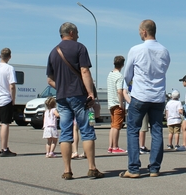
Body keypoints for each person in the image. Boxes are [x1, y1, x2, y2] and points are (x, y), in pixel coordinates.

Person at [47, 22, 103, 179]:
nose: (78, 35)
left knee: (65, 132)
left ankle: (67, 170)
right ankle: (92, 168)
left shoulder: (53, 52)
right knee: (86, 130)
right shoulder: (80, 48)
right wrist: (91, 93)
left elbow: (49, 80)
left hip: (62, 97)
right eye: (77, 32)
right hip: (79, 95)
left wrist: (62, 87)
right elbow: (84, 71)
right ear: (71, 32)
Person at [120, 19, 170, 178]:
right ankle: (154, 168)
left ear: (143, 32)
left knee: (133, 130)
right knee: (157, 131)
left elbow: (128, 73)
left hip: (140, 95)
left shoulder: (136, 50)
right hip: (158, 96)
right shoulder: (164, 51)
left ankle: (133, 168)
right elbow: (164, 69)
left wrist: (127, 84)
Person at [0, 48, 17, 157]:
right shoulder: (9, 68)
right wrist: (13, 99)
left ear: (0, 56)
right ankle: (4, 148)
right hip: (5, 98)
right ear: (10, 56)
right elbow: (12, 85)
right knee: (5, 123)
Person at [107, 55, 126, 154]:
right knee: (117, 126)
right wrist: (121, 103)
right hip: (116, 103)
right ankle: (115, 147)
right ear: (123, 64)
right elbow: (119, 91)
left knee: (113, 125)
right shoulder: (119, 76)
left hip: (110, 103)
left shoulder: (110, 74)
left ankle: (110, 146)